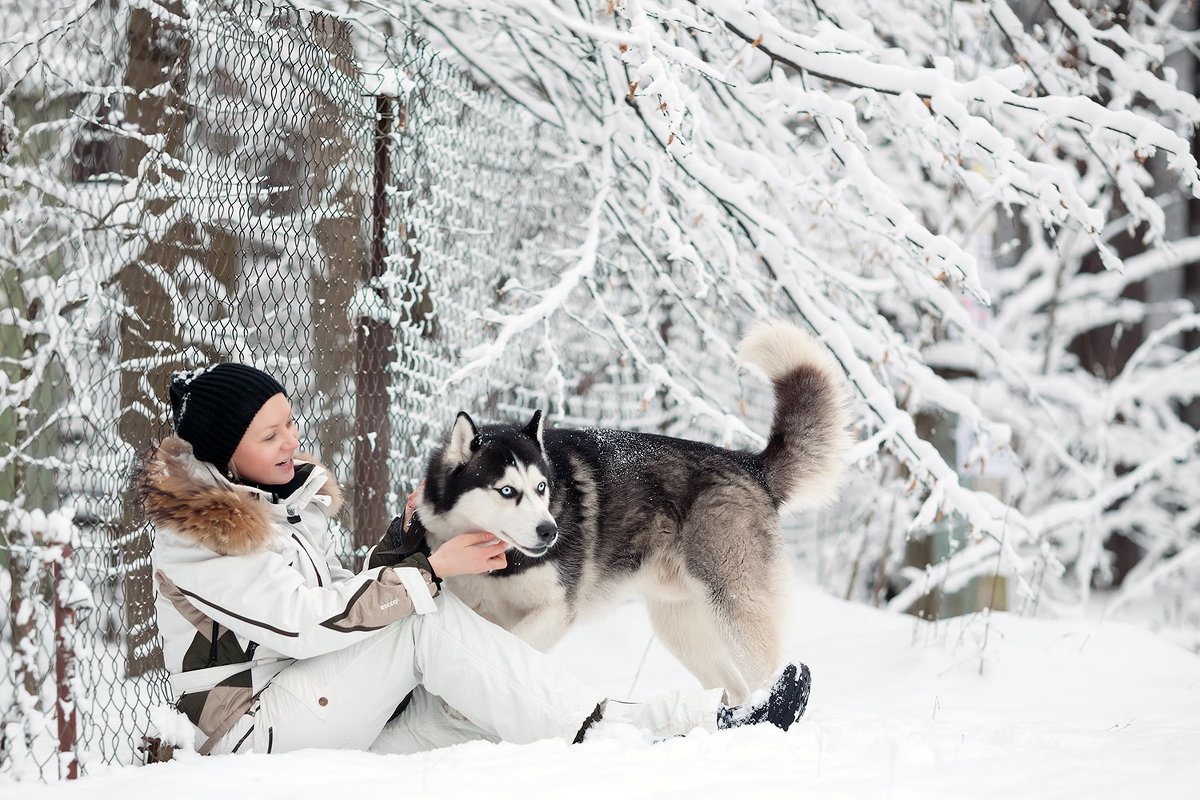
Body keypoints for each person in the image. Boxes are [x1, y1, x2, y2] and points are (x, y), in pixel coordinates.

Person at [137, 362, 812, 756]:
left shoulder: (275, 501)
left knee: (475, 706)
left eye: (290, 422)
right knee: (431, 620)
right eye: (271, 433)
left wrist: (404, 546)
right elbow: (299, 623)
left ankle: (689, 732)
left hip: (310, 695)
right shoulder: (204, 533)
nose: (293, 441)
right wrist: (429, 570)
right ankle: (653, 728)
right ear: (228, 452)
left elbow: (334, 599)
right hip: (250, 729)